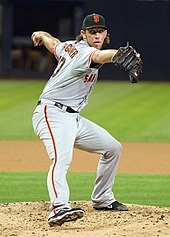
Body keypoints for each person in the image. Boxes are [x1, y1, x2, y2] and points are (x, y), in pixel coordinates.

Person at [31, 13, 141, 227]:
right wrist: (118, 54)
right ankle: (58, 208)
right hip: (52, 113)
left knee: (113, 148)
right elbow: (100, 57)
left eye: (100, 32)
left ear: (106, 33)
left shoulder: (69, 46)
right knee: (61, 160)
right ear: (84, 34)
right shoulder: (84, 52)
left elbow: (54, 44)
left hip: (73, 118)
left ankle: (102, 198)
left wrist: (41, 35)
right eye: (92, 32)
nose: (97, 35)